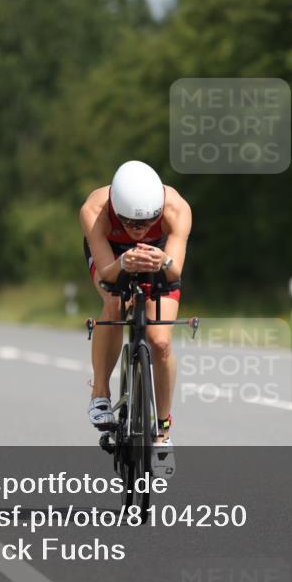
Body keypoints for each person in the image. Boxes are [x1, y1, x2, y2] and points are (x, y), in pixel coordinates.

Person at [79, 160, 192, 467]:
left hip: (160, 254)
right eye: (129, 222)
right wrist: (124, 262)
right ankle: (100, 393)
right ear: (116, 210)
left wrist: (163, 261)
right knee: (114, 302)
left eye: (146, 222)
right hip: (113, 256)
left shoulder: (177, 209)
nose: (138, 230)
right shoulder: (95, 209)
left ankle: (163, 430)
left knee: (160, 341)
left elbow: (175, 272)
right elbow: (106, 274)